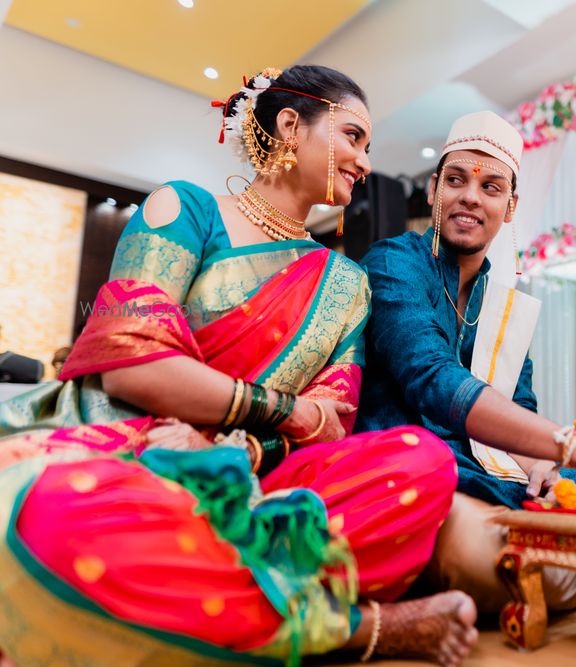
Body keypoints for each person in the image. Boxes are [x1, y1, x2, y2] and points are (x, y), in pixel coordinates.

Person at [0, 66, 476, 666]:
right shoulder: (184, 211)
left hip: (246, 477)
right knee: (51, 515)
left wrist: (237, 453)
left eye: (367, 146)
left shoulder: (346, 283)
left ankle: (185, 596)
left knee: (420, 464)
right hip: (124, 449)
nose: (363, 160)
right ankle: (356, 625)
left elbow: (332, 425)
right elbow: (132, 369)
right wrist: (282, 412)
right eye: (353, 135)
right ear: (289, 127)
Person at [357, 111, 576, 612]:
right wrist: (573, 446)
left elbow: (521, 405)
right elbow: (432, 379)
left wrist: (545, 466)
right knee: (489, 548)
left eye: (491, 186)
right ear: (432, 190)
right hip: (424, 464)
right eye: (456, 180)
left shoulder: (502, 303)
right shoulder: (394, 263)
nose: (471, 196)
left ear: (510, 206)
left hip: (495, 471)